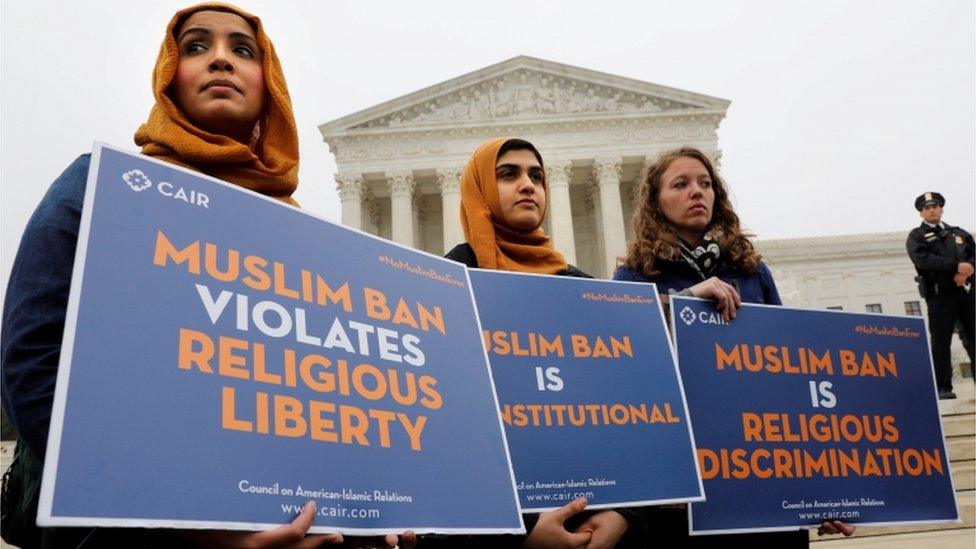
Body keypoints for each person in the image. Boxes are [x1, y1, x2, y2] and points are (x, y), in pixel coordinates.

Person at [0, 4, 415, 548]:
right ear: (170, 74)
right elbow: (32, 362)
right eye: (196, 46)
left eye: (243, 50)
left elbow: (319, 400)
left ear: (271, 86)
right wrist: (182, 526)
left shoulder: (303, 239)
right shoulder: (99, 188)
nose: (220, 59)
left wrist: (360, 514)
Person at [613, 146, 855, 546]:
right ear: (656, 203)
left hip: (763, 469)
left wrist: (818, 487)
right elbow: (628, 362)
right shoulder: (635, 275)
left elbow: (789, 375)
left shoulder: (750, 269)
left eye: (705, 183)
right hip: (684, 487)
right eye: (681, 184)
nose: (697, 192)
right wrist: (686, 302)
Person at [434, 137, 648, 548]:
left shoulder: (582, 288)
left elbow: (629, 416)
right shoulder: (444, 285)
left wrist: (624, 514)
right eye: (508, 174)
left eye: (536, 175)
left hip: (592, 520)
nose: (528, 184)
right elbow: (442, 431)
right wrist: (523, 541)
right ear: (478, 188)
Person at [906, 192, 975, 400]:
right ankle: (944, 387)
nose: (932, 210)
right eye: (927, 208)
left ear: (942, 208)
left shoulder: (959, 233)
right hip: (940, 295)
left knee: (973, 339)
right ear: (921, 213)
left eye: (935, 206)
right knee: (941, 342)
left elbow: (973, 254)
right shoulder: (917, 236)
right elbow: (923, 260)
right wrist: (955, 267)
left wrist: (968, 269)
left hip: (966, 292)